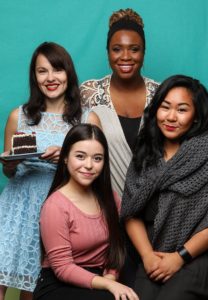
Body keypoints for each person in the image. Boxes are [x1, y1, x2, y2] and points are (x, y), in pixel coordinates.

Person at [0, 42, 100, 300]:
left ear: (69, 72)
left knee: (36, 288)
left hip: (59, 208)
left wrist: (66, 159)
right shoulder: (18, 116)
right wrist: (9, 165)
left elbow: (96, 168)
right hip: (17, 207)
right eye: (42, 71)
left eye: (57, 69)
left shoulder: (88, 119)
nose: (50, 78)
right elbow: (11, 172)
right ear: (34, 77)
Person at [120, 74, 208, 300]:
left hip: (202, 253)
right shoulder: (146, 150)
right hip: (156, 248)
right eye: (165, 107)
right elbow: (131, 211)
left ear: (196, 115)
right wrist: (148, 256)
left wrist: (180, 257)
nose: (171, 117)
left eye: (182, 110)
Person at [32, 124, 139, 300]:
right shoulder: (55, 206)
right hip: (59, 284)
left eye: (97, 158)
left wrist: (112, 275)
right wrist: (108, 284)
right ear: (65, 157)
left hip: (101, 276)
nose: (89, 165)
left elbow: (118, 244)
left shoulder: (110, 198)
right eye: (80, 156)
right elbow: (63, 268)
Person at [80, 8, 159, 198]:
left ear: (144, 52)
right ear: (107, 52)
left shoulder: (162, 94)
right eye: (117, 49)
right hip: (104, 203)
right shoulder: (89, 92)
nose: (125, 56)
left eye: (134, 49)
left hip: (155, 205)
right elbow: (77, 148)